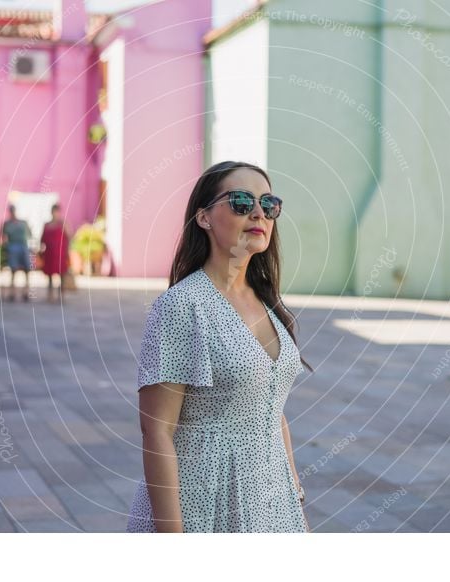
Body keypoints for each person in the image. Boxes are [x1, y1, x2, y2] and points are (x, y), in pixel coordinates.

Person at [126, 161, 312, 533]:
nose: (258, 213)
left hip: (273, 505)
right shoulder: (182, 306)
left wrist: (297, 498)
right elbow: (157, 431)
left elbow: (272, 408)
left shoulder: (265, 301)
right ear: (204, 218)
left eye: (268, 204)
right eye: (242, 201)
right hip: (204, 502)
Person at [1, 204, 32, 302]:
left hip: (23, 247)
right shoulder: (7, 224)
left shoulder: (23, 222)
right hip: (13, 247)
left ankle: (26, 292)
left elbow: (30, 234)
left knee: (27, 270)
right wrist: (5, 247)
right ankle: (12, 293)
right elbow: (3, 236)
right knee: (13, 271)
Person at [40, 203, 69, 302]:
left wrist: (67, 252)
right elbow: (42, 239)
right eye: (54, 211)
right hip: (49, 253)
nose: (55, 213)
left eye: (57, 211)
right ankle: (50, 295)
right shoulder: (46, 225)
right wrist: (40, 251)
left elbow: (69, 237)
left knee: (62, 275)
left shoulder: (63, 224)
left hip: (60, 254)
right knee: (49, 276)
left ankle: (61, 296)